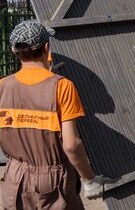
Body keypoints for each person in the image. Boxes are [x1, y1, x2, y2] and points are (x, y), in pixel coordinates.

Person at [0, 20, 108, 209]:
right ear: (47, 47)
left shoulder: (2, 87)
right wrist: (89, 180)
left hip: (14, 178)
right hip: (52, 183)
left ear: (14, 52)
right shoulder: (61, 87)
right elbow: (71, 145)